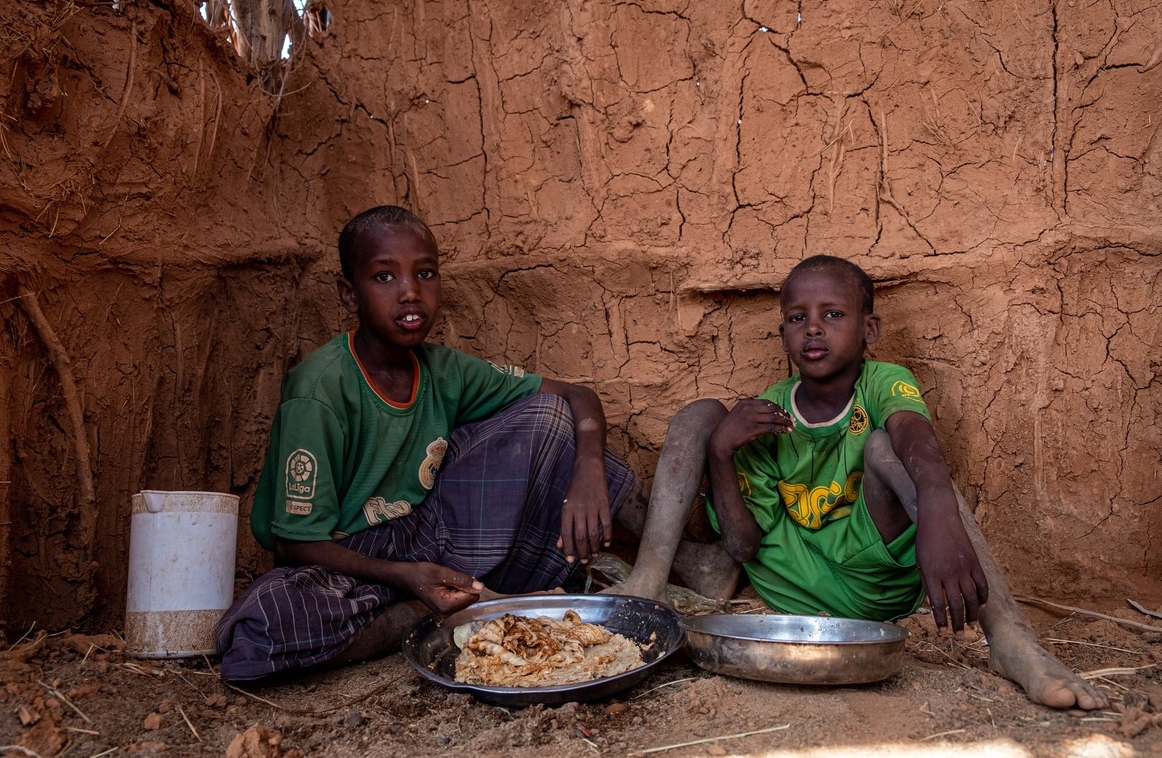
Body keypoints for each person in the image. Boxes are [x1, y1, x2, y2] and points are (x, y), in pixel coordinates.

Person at [612, 255, 1107, 710]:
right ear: (783, 332)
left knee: (885, 447)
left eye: (833, 315)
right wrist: (721, 453)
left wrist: (939, 518)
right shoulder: (771, 409)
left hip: (873, 579)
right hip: (789, 581)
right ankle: (649, 581)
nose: (813, 328)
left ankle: (1012, 640)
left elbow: (919, 442)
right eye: (797, 317)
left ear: (869, 328)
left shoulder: (884, 382)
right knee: (704, 416)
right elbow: (743, 545)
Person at [215, 206, 637, 682]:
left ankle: (457, 601)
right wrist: (406, 575)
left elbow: (576, 395)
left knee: (546, 417)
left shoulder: (441, 369)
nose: (410, 292)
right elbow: (294, 543)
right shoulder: (319, 393)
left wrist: (588, 473)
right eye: (383, 276)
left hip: (427, 530)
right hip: (348, 557)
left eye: (426, 273)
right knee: (270, 616)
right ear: (349, 295)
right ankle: (439, 607)